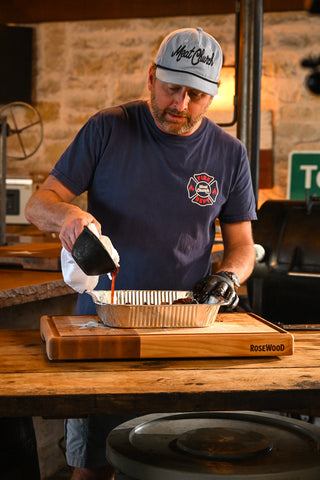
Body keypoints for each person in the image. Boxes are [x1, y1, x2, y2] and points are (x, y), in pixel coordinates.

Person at [25, 27, 257, 480]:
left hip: (185, 336)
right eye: (172, 89)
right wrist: (68, 215)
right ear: (151, 77)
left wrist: (229, 278)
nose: (181, 106)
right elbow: (39, 203)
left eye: (196, 95)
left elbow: (243, 247)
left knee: (181, 467)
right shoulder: (107, 128)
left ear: (212, 95)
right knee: (92, 470)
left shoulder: (230, 154)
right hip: (101, 332)